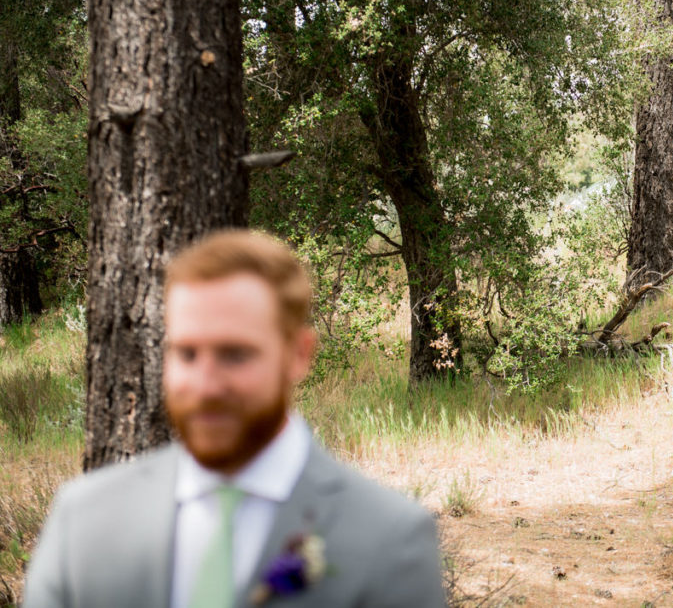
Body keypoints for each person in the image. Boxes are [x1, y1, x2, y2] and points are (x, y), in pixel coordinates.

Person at [23, 230, 446, 608]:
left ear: (299, 354)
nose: (206, 386)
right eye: (186, 353)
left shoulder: (390, 538)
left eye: (235, 354)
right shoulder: (84, 518)